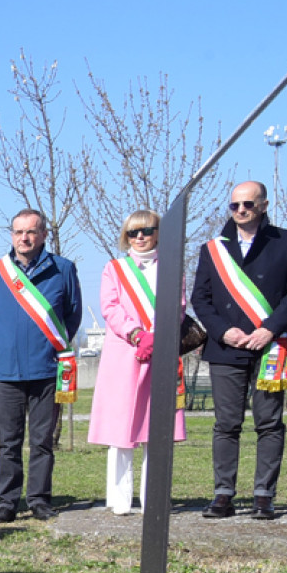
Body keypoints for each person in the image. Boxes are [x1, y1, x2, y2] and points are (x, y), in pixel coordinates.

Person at [190, 181, 287, 520]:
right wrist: (222, 330)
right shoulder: (213, 248)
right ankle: (223, 495)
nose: (241, 210)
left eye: (248, 204)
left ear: (263, 205)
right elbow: (201, 297)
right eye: (235, 206)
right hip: (226, 347)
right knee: (226, 423)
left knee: (269, 423)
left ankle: (263, 495)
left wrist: (270, 329)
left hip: (271, 347)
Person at [0, 209, 82, 522]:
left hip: (47, 371)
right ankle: (7, 503)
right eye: (18, 232)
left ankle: (38, 500)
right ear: (11, 235)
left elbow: (72, 315)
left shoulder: (63, 269)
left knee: (42, 442)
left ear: (43, 235)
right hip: (7, 372)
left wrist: (48, 347)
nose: (24, 238)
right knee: (8, 442)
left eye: (31, 232)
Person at [91, 211, 186, 515]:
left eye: (146, 230)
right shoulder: (114, 268)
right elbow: (110, 306)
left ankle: (154, 497)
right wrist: (135, 334)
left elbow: (179, 306)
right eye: (133, 233)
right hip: (124, 353)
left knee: (156, 426)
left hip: (161, 351)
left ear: (159, 233)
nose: (140, 237)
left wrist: (157, 337)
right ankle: (120, 500)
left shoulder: (172, 268)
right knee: (122, 428)